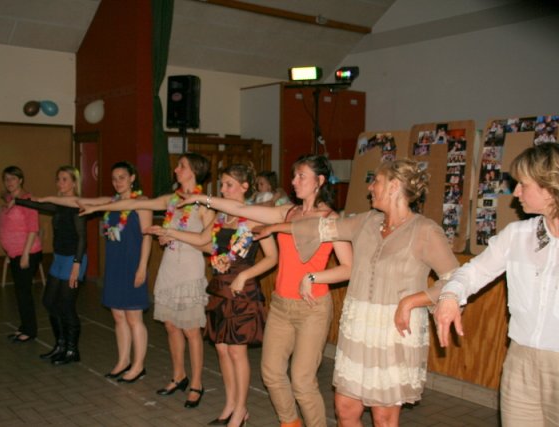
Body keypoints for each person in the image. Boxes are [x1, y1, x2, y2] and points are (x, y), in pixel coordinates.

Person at [282, 159, 459, 426]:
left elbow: (455, 280)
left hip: (393, 333)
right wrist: (272, 226)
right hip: (359, 329)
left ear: (394, 186)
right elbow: (318, 228)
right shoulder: (367, 221)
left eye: (376, 181)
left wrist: (412, 301)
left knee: (383, 417)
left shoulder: (425, 231)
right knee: (345, 409)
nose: (370, 187)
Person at [180, 155, 353, 427]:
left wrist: (314, 276)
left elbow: (348, 268)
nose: (294, 181)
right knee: (271, 373)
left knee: (302, 381)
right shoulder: (288, 212)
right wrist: (202, 199)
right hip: (281, 304)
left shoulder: (331, 219)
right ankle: (290, 423)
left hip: (312, 308)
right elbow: (241, 208)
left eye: (301, 176)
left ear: (319, 181)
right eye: (294, 176)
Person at [434, 143, 559, 427]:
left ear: (549, 187)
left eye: (523, 184)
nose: (516, 193)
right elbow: (473, 272)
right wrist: (450, 295)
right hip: (521, 361)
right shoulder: (517, 235)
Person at [146, 164, 278, 427]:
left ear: (244, 187)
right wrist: (169, 232)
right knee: (221, 348)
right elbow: (204, 242)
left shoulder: (254, 217)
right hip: (220, 287)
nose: (223, 189)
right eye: (222, 184)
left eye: (229, 185)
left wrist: (245, 275)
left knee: (237, 351)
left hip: (241, 290)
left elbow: (272, 257)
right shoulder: (220, 216)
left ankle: (241, 410)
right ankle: (230, 405)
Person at [80, 153, 214, 408]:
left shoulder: (204, 206)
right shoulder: (171, 200)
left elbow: (209, 246)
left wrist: (171, 233)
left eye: (181, 166)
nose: (176, 169)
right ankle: (178, 376)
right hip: (168, 268)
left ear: (194, 171)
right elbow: (130, 203)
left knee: (191, 331)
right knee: (171, 327)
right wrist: (97, 209)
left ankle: (197, 383)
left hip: (189, 271)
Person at [37, 161, 152, 382]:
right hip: (115, 264)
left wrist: (142, 267)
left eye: (122, 177)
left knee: (134, 317)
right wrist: (45, 199)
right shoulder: (111, 202)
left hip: (132, 264)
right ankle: (123, 361)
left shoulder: (142, 202)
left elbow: (147, 237)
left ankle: (138, 366)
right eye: (114, 178)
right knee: (118, 316)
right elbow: (75, 201)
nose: (117, 182)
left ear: (132, 178)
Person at [16, 166, 87, 365]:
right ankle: (60, 345)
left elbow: (82, 238)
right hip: (59, 258)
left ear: (74, 183)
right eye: (58, 179)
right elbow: (37, 205)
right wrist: (17, 200)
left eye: (65, 179)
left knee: (66, 305)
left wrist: (77, 264)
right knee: (49, 301)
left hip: (73, 259)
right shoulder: (59, 204)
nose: (60, 183)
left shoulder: (77, 204)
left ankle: (72, 350)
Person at [0, 166, 43, 343]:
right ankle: (25, 326)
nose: (9, 182)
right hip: (14, 253)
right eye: (6, 179)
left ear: (20, 180)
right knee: (19, 292)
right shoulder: (11, 199)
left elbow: (33, 229)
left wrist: (25, 255)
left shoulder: (27, 200)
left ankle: (30, 330)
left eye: (13, 178)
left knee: (24, 293)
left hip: (28, 252)